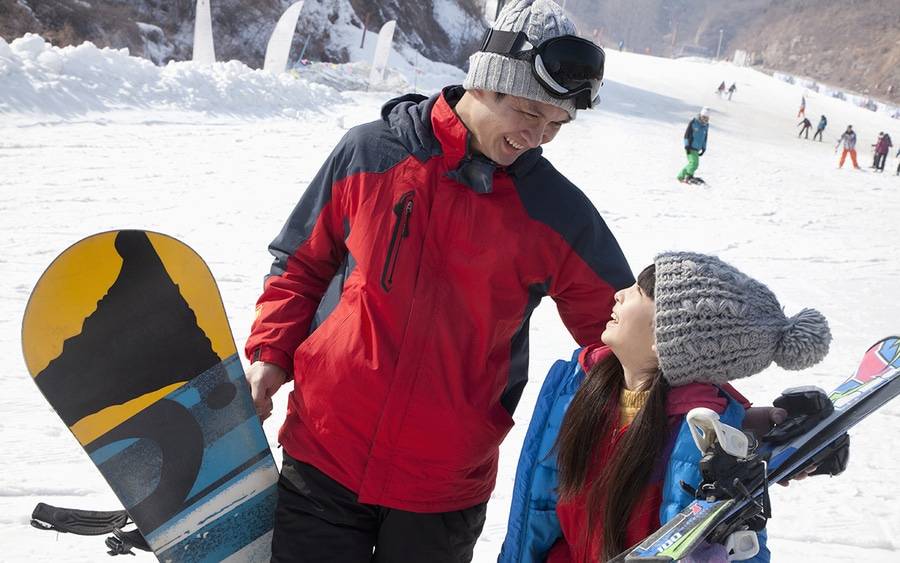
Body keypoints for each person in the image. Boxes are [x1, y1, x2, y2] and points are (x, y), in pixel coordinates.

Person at [242, 1, 633, 561]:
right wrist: (270, 354)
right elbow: (300, 265)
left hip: (443, 486)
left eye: (556, 124)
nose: (539, 136)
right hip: (324, 455)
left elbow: (624, 331)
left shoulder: (556, 211)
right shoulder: (369, 152)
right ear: (484, 84)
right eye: (528, 112)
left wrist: (716, 407)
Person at [499, 252, 832, 562]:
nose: (619, 294)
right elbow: (536, 508)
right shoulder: (576, 383)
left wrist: (745, 446)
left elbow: (735, 550)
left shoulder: (707, 443)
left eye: (638, 292)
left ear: (668, 339)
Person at [677, 107, 709, 183]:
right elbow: (687, 135)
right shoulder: (694, 122)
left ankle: (680, 176)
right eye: (704, 117)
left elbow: (705, 137)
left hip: (697, 148)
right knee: (694, 163)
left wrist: (704, 147)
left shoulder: (706, 126)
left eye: (707, 118)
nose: (705, 120)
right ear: (701, 116)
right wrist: (686, 145)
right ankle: (688, 176)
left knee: (692, 163)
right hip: (690, 147)